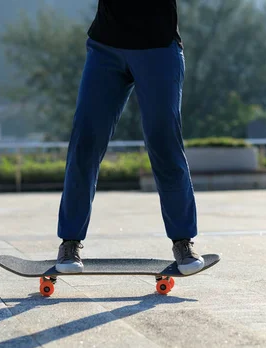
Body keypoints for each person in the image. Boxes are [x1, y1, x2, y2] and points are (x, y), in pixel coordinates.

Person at [55, 0, 204, 275]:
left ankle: (183, 242)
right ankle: (70, 242)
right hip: (105, 48)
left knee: (164, 143)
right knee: (84, 143)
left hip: (158, 48)